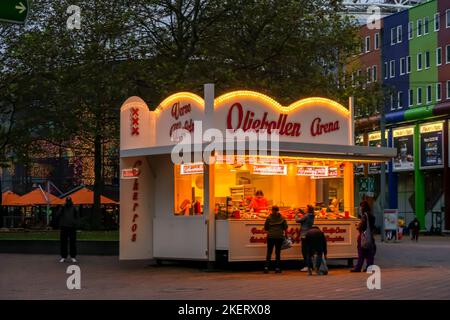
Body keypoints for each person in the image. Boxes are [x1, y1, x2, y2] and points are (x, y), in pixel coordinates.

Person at [351, 201, 376, 272]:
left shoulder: (365, 216)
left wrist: (358, 226)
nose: (360, 208)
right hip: (370, 235)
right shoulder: (371, 215)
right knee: (369, 252)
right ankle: (370, 267)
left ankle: (358, 267)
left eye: (361, 207)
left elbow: (362, 226)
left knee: (361, 251)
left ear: (363, 207)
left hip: (363, 235)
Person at [264, 206, 288, 274]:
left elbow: (266, 227)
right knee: (277, 253)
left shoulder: (268, 218)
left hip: (271, 236)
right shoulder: (282, 218)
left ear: (272, 210)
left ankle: (266, 267)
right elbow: (285, 227)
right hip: (279, 236)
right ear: (278, 210)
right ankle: (277, 268)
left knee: (269, 252)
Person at [57, 197, 80, 263]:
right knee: (63, 243)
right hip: (64, 227)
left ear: (71, 201)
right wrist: (61, 208)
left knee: (72, 242)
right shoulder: (62, 208)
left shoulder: (74, 208)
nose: (68, 203)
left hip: (72, 227)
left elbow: (77, 217)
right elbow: (58, 215)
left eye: (69, 201)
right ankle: (63, 257)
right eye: (67, 201)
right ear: (66, 201)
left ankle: (73, 256)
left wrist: (76, 224)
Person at [296, 204, 315, 271]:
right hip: (309, 234)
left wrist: (296, 214)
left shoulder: (307, 216)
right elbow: (305, 215)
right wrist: (301, 211)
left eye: (306, 208)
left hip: (304, 235)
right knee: (309, 250)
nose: (305, 209)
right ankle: (311, 266)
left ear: (308, 209)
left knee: (304, 251)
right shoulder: (311, 215)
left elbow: (297, 220)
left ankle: (307, 266)